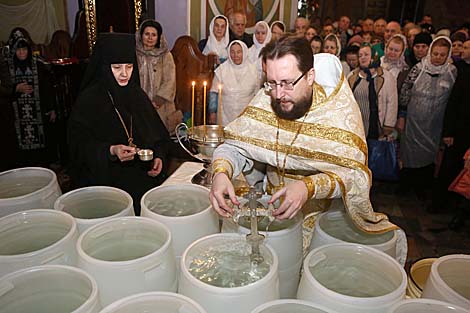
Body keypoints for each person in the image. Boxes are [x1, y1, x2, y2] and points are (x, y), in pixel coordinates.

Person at [209, 34, 398, 233]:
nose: (279, 94)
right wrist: (221, 173)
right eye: (271, 83)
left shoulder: (337, 113)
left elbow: (355, 175)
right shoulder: (267, 99)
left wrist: (308, 187)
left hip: (318, 222)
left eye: (287, 83)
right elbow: (234, 146)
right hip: (270, 212)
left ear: (309, 76)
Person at [68, 33, 171, 215]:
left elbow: (159, 136)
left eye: (129, 66)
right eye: (117, 67)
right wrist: (110, 151)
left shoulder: (137, 95)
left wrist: (159, 157)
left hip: (141, 183)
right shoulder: (89, 100)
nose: (124, 73)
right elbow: (77, 146)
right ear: (105, 67)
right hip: (107, 188)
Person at [397, 36, 457, 199]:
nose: (437, 57)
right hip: (414, 121)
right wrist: (402, 115)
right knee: (409, 152)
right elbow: (405, 91)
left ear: (447, 55)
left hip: (435, 123)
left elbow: (454, 99)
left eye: (442, 55)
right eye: (435, 53)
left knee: (429, 155)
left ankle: (421, 187)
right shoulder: (418, 68)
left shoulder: (452, 72)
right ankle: (405, 185)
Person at [5, 28, 56, 167]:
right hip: (16, 118)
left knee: (41, 148)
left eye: (24, 49)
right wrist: (16, 89)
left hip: (38, 115)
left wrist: (51, 108)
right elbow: (4, 90)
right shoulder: (7, 68)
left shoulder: (37, 64)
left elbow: (46, 88)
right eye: (18, 50)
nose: (22, 53)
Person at [135, 19, 182, 135]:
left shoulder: (165, 56)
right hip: (139, 103)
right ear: (141, 36)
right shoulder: (134, 54)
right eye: (147, 34)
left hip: (161, 104)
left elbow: (170, 80)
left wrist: (158, 100)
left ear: (158, 37)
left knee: (159, 135)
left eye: (153, 35)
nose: (150, 38)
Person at [348, 43, 398, 140]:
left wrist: (388, 126)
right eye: (360, 55)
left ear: (374, 56)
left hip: (377, 126)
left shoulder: (386, 77)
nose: (363, 58)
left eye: (366, 55)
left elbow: (392, 103)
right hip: (357, 125)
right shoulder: (352, 76)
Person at [208, 40, 258, 126]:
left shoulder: (253, 70)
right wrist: (212, 112)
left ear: (244, 52)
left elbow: (257, 95)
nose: (235, 55)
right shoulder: (221, 70)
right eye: (232, 52)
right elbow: (214, 92)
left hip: (246, 116)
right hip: (225, 115)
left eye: (239, 52)